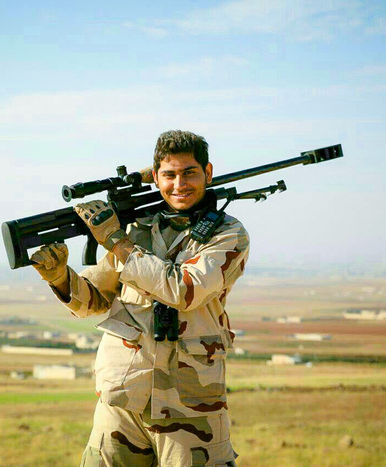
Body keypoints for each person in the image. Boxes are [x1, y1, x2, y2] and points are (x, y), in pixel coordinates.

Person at [31, 130, 250, 466]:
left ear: (208, 173)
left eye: (189, 173)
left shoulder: (228, 234)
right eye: (169, 175)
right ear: (156, 177)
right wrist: (59, 277)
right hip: (123, 399)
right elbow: (95, 300)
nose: (179, 184)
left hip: (190, 406)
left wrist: (116, 241)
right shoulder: (136, 230)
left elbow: (183, 290)